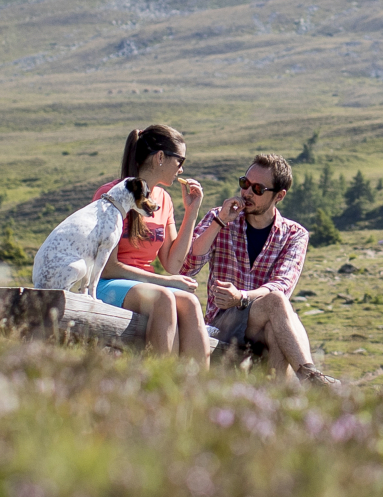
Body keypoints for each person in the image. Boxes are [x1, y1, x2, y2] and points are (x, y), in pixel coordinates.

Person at [182, 153, 339, 386]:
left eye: (258, 188)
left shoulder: (294, 234)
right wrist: (220, 221)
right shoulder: (221, 217)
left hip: (262, 323)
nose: (247, 193)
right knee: (277, 308)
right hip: (221, 321)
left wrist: (242, 297)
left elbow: (282, 285)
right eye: (245, 183)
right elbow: (188, 267)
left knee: (276, 325)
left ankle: (275, 402)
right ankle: (309, 378)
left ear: (279, 195)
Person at [93, 125, 210, 361]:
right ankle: (159, 384)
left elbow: (173, 263)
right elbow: (108, 267)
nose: (181, 169)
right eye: (180, 160)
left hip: (146, 285)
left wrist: (192, 212)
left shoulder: (163, 200)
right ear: (160, 157)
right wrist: (165, 282)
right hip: (107, 283)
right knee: (163, 297)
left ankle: (197, 388)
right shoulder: (110, 195)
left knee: (189, 302)